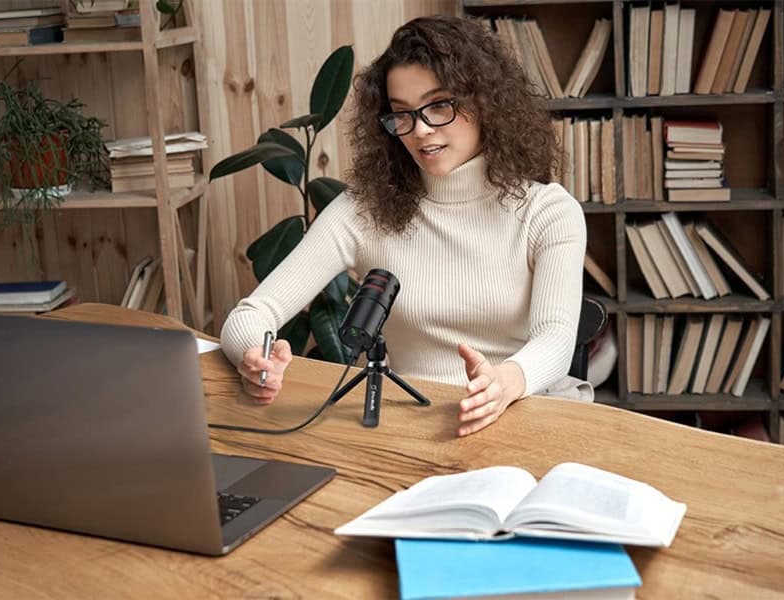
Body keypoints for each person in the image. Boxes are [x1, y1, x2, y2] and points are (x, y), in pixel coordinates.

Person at [221, 15, 589, 436]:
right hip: (411, 426)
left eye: (439, 105)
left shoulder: (547, 211)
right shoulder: (363, 210)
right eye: (402, 115)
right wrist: (255, 355)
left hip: (524, 414)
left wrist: (505, 383)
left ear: (485, 101)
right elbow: (252, 314)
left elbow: (556, 339)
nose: (421, 131)